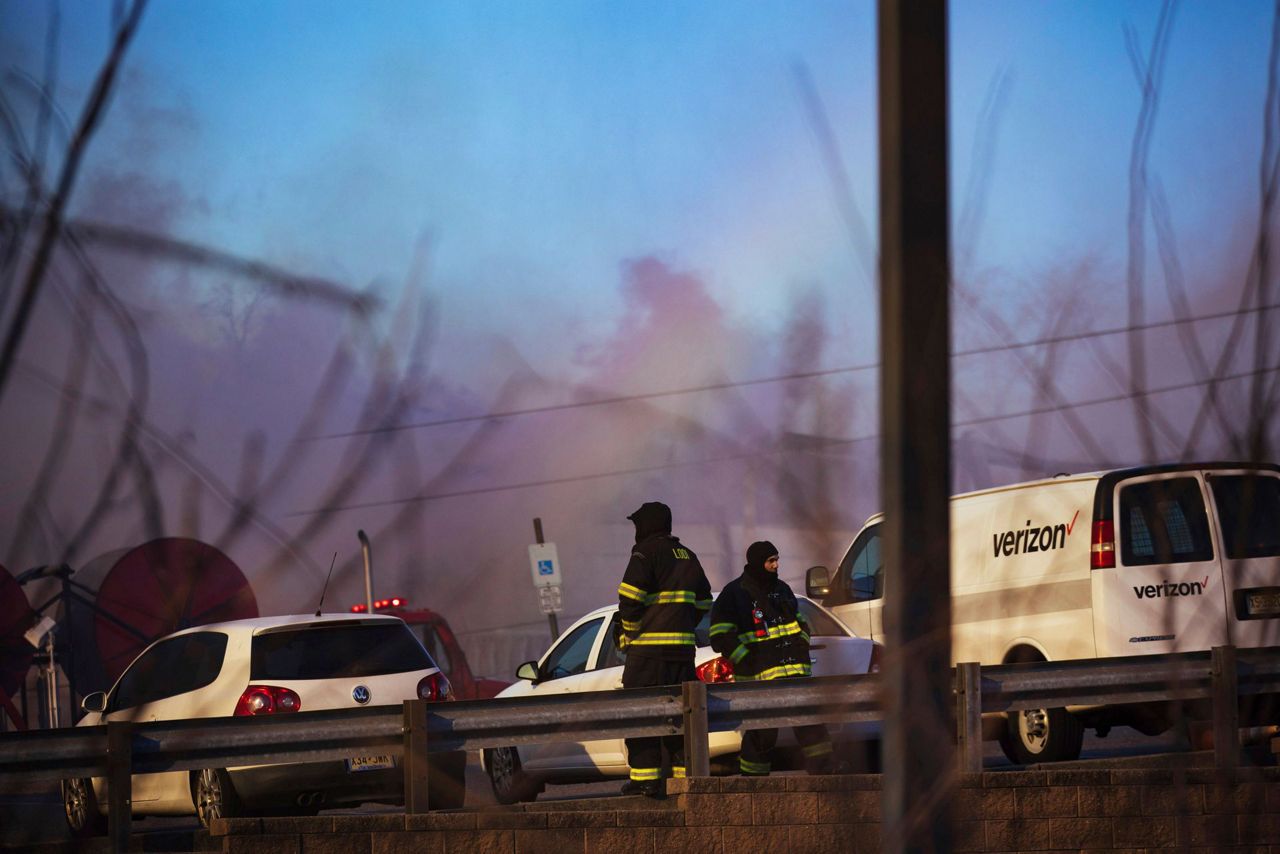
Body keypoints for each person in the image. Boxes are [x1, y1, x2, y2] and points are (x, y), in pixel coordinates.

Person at [708, 540, 834, 776]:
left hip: (795, 672)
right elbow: (720, 635)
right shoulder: (735, 594)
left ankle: (825, 771)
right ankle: (754, 781)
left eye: (777, 560)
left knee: (811, 723)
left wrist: (801, 643)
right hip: (759, 678)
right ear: (757, 563)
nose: (776, 565)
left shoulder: (783, 590)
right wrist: (745, 659)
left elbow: (802, 623)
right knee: (762, 732)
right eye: (770, 561)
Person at [616, 501, 713, 797]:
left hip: (648, 654)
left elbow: (629, 600)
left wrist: (630, 635)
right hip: (683, 653)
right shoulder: (688, 555)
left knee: (639, 713)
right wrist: (683, 623)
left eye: (637, 525)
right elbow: (705, 601)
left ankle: (646, 780)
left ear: (647, 525)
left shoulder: (645, 553)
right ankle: (682, 783)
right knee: (680, 717)